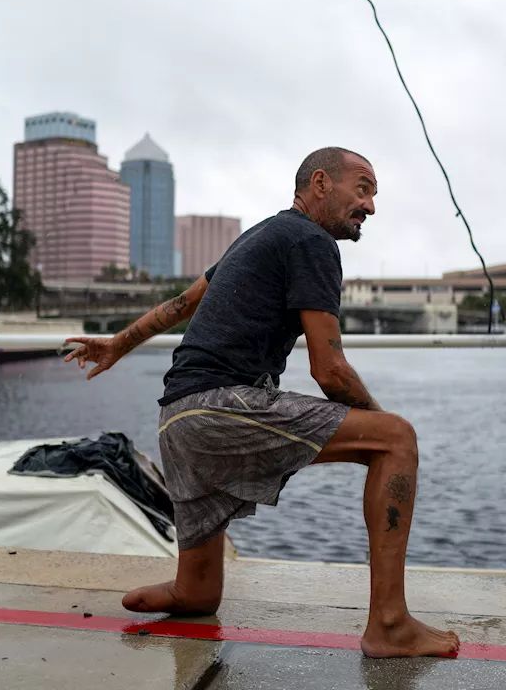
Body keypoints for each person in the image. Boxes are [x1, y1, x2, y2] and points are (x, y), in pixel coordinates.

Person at [64, 147, 460, 658]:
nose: (371, 207)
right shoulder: (311, 241)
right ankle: (388, 623)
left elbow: (183, 304)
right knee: (398, 440)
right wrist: (385, 433)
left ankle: (186, 588)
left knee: (201, 596)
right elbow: (330, 369)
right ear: (320, 183)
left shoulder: (260, 235)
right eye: (362, 189)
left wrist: (120, 343)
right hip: (217, 409)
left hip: (176, 421)